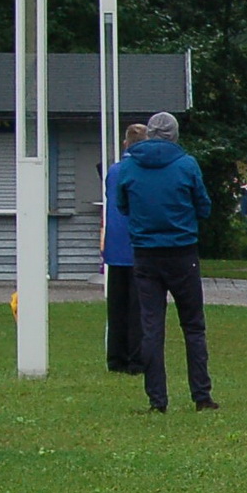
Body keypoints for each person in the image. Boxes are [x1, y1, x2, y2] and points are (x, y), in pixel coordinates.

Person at [114, 111, 217, 414]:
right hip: (183, 252)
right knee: (193, 326)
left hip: (146, 254)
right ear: (174, 135)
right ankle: (201, 395)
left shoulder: (129, 166)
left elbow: (122, 205)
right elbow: (204, 206)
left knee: (151, 328)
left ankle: (157, 399)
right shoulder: (186, 165)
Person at [102, 122, 149, 374]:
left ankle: (115, 357)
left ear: (125, 144)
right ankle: (136, 358)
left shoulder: (114, 170)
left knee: (117, 305)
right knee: (138, 306)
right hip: (137, 243)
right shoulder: (142, 170)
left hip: (114, 244)